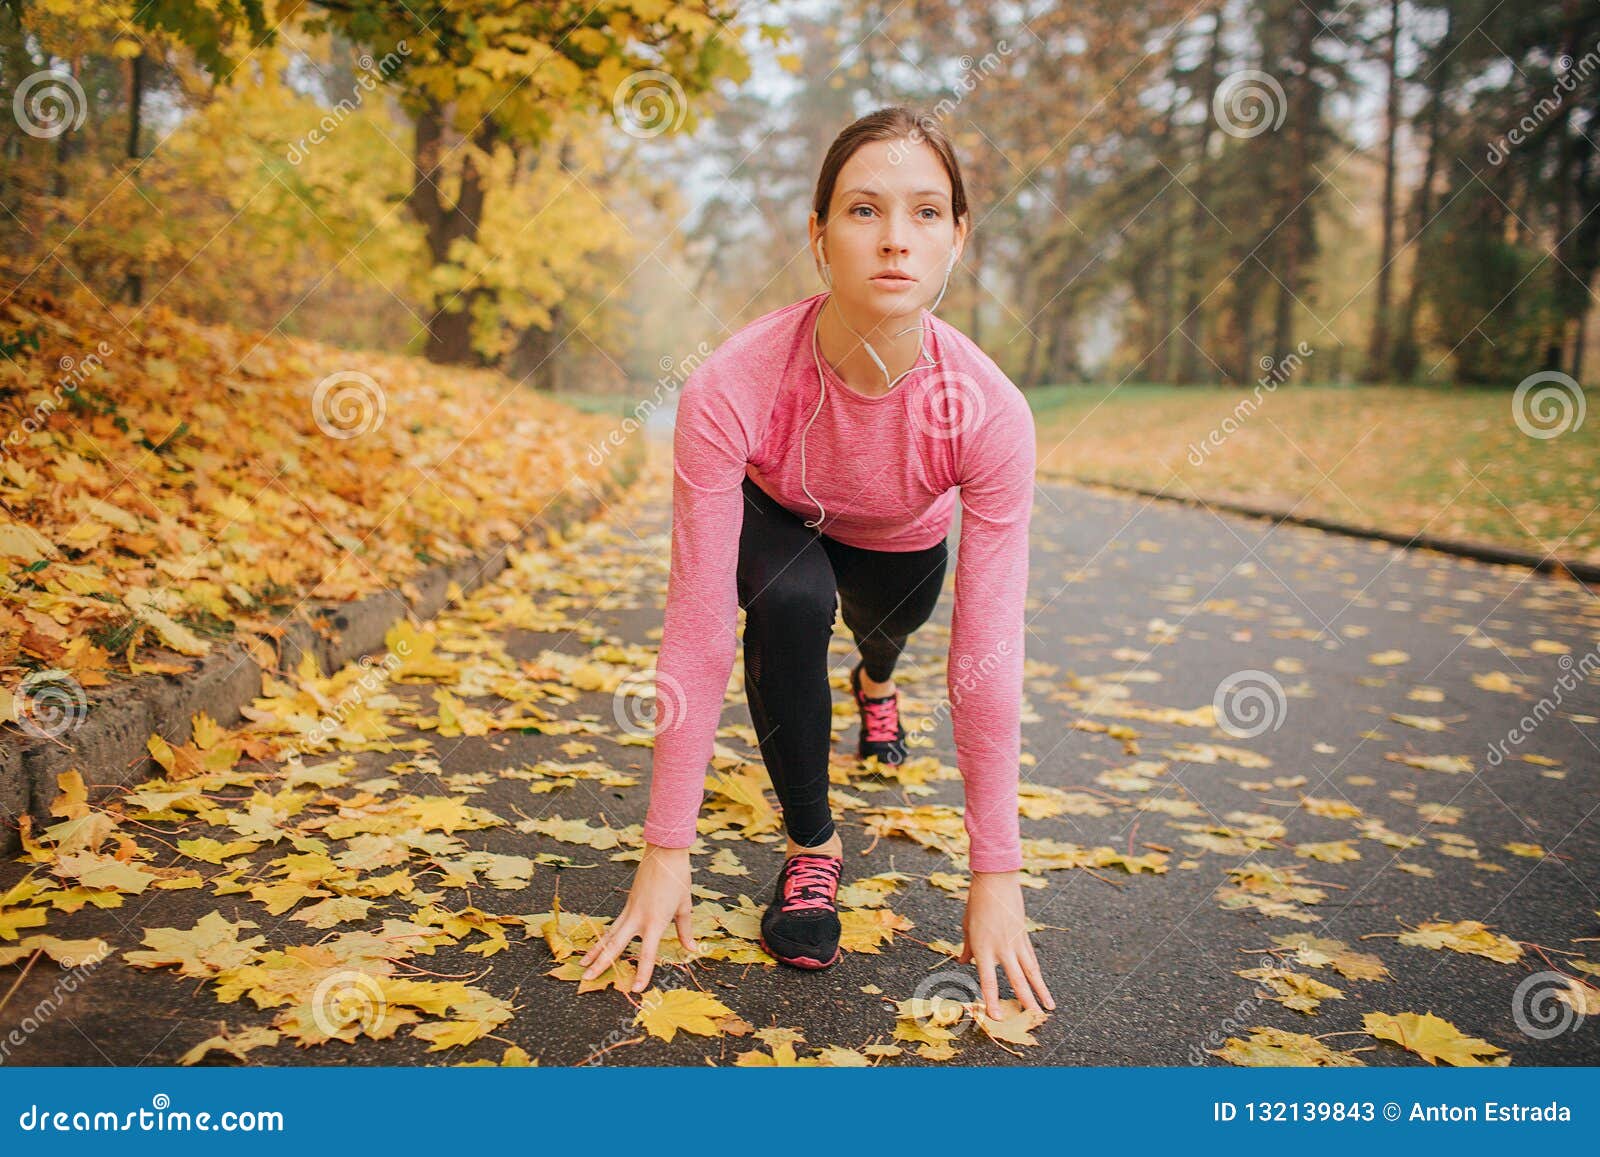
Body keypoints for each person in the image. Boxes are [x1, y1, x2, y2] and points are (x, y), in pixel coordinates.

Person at [580, 106, 1054, 1020]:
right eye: (864, 210)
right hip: (782, 513)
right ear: (820, 235)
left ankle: (875, 684)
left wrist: (997, 873)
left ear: (958, 238)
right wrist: (664, 847)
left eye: (925, 213)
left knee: (889, 633)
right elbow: (698, 633)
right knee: (793, 604)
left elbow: (988, 656)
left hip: (902, 543)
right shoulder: (733, 382)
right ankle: (812, 846)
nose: (894, 240)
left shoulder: (991, 413)